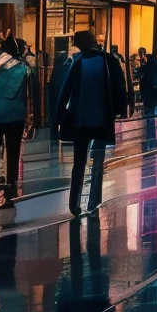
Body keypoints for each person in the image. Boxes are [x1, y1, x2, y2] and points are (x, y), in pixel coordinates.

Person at [53, 29, 128, 216]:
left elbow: (65, 91)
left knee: (78, 162)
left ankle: (74, 203)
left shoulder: (78, 61)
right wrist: (121, 109)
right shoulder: (109, 60)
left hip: (80, 121)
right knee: (98, 162)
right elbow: (120, 87)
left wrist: (57, 119)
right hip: (102, 119)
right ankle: (93, 202)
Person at [0, 36, 35, 206]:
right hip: (16, 117)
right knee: (13, 151)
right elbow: (30, 95)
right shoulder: (24, 68)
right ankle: (11, 183)